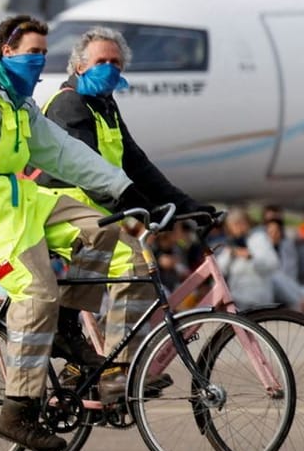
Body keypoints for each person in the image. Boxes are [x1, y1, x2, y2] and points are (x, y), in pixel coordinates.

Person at [0, 14, 157, 451]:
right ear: (6, 51)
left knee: (104, 230)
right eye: (31, 52)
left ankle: (67, 328)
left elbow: (64, 152)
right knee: (37, 296)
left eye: (43, 53)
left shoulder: (18, 102)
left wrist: (122, 189)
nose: (39, 61)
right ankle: (18, 412)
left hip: (23, 201)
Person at [39, 25, 199, 387]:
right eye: (100, 61)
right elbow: (89, 169)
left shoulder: (104, 105)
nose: (109, 68)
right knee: (132, 262)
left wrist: (184, 204)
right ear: (79, 66)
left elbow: (136, 164)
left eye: (115, 62)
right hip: (59, 210)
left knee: (133, 258)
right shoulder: (68, 104)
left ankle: (83, 367)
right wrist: (140, 207)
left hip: (97, 214)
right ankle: (117, 370)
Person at [212, 207, 281, 308]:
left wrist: (250, 257)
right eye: (234, 225)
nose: (238, 228)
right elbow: (219, 270)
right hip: (237, 298)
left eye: (240, 223)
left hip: (258, 299)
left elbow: (273, 263)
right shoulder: (230, 243)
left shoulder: (259, 238)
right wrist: (230, 254)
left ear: (246, 223)